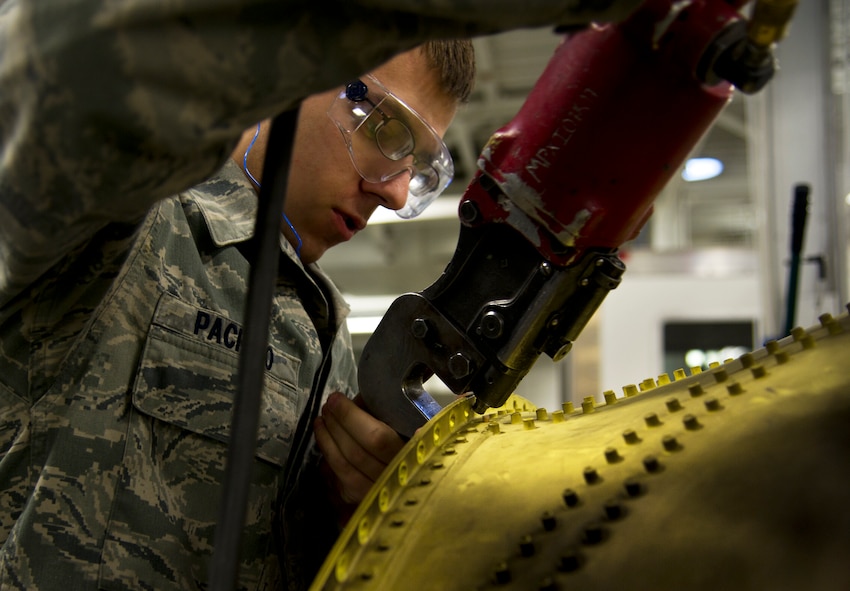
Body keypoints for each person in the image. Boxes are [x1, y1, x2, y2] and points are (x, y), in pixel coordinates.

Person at [0, 2, 642, 590]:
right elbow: (85, 68)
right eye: (388, 134)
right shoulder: (124, 230)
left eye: (420, 168)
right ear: (289, 80)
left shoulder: (325, 330)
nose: (395, 193)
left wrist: (359, 519)